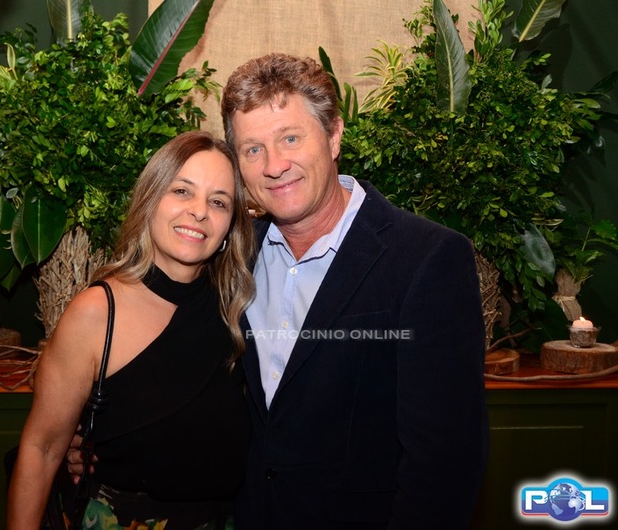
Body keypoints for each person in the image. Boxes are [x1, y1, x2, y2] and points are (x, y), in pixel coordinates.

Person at [70, 53, 490, 529]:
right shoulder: (232, 254)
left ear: (334, 135)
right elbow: (171, 362)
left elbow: (445, 464)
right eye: (253, 150)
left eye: (290, 138)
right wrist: (95, 434)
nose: (274, 166)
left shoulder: (426, 259)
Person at [7, 130, 256, 530]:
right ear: (150, 199)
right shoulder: (96, 313)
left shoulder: (238, 306)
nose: (199, 212)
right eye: (182, 191)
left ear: (231, 225)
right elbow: (43, 448)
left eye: (218, 201)